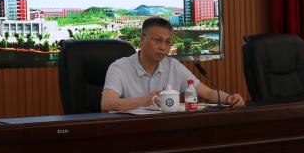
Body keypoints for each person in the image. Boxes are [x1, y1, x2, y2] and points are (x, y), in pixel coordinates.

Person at [101, 17, 245, 111]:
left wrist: (229, 98)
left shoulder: (173, 66)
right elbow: (106, 104)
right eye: (158, 40)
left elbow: (207, 93)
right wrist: (146, 101)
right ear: (143, 40)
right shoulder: (119, 68)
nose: (163, 47)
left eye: (168, 42)